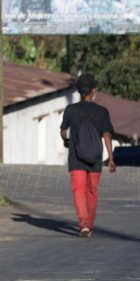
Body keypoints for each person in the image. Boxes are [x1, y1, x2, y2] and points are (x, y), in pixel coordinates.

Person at [59, 73, 116, 238]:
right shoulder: (102, 112)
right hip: (95, 158)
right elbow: (107, 135)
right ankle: (89, 225)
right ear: (93, 91)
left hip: (76, 158)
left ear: (78, 91)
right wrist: (111, 158)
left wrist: (65, 140)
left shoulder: (70, 110)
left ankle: (83, 224)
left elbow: (63, 131)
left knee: (78, 190)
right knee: (92, 192)